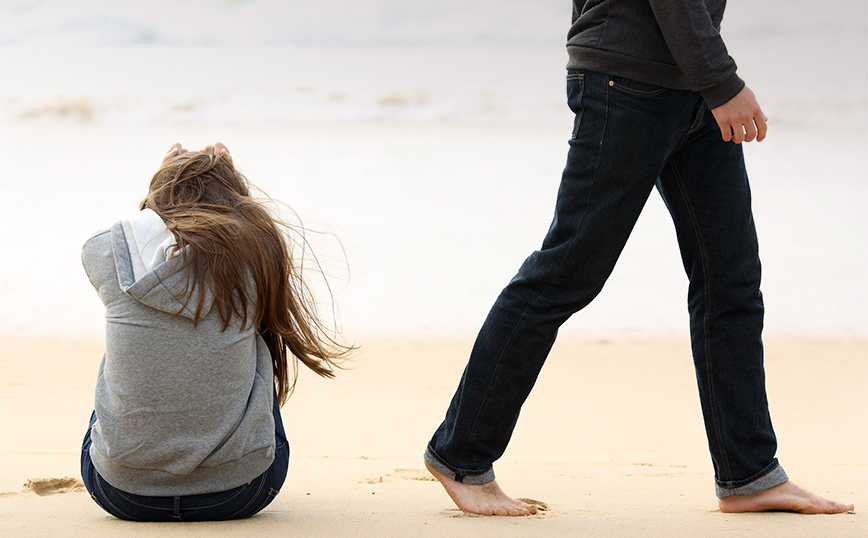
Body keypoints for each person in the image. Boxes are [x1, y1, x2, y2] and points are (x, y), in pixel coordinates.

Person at [423, 1, 855, 516]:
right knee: (566, 273)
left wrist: (711, 82)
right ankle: (461, 455)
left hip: (690, 85)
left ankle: (750, 473)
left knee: (731, 282)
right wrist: (724, 84)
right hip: (628, 85)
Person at [80, 142, 353, 521]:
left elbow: (133, 239)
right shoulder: (257, 252)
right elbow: (248, 229)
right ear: (235, 200)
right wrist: (230, 183)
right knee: (254, 338)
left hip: (122, 494)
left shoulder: (103, 251)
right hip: (240, 493)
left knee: (127, 342)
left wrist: (159, 185)